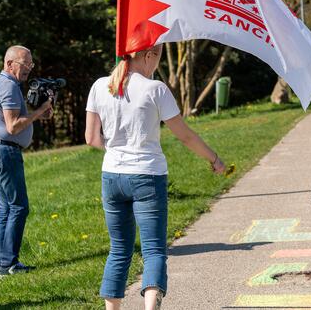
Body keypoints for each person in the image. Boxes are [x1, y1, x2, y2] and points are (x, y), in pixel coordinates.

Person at [85, 45, 226, 310]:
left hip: (112, 176)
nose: (156, 64)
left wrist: (118, 151)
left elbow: (91, 138)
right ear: (148, 55)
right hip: (147, 176)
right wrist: (214, 159)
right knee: (153, 250)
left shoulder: (99, 86)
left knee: (119, 250)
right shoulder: (155, 89)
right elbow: (184, 135)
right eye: (157, 57)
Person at [0, 45, 52, 277]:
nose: (29, 70)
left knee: (6, 208)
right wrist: (39, 111)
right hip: (4, 152)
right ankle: (8, 264)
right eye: (25, 65)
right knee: (19, 208)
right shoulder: (8, 86)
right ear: (9, 63)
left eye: (30, 65)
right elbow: (12, 127)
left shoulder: (3, 84)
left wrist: (37, 113)